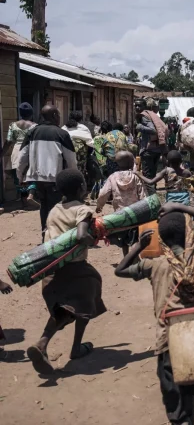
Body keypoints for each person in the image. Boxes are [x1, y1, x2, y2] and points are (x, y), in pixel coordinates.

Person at [114, 202, 194, 425]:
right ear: (189, 232)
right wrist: (180, 206)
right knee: (189, 390)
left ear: (160, 238)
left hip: (169, 341)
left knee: (174, 397)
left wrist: (138, 247)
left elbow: (120, 270)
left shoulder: (155, 265)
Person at [26, 169, 106, 374]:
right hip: (75, 270)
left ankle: (43, 344)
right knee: (86, 300)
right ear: (81, 188)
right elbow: (80, 235)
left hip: (51, 270)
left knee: (64, 310)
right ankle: (72, 347)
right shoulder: (81, 209)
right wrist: (92, 239)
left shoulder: (54, 209)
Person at [16, 105, 78, 236]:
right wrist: (74, 177)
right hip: (55, 179)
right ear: (55, 116)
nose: (60, 118)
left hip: (38, 179)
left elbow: (22, 157)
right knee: (56, 208)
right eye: (59, 115)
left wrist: (20, 175)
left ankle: (45, 233)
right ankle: (54, 236)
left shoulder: (32, 133)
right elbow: (71, 159)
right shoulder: (62, 134)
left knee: (44, 206)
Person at [96, 151, 146, 256]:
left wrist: (99, 206)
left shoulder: (113, 177)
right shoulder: (136, 176)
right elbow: (142, 194)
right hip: (136, 213)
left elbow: (103, 193)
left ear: (117, 163)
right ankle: (134, 258)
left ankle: (126, 258)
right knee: (134, 238)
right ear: (132, 162)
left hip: (120, 214)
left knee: (123, 240)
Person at [5, 102, 38, 209]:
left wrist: (2, 153)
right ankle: (31, 195)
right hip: (30, 150)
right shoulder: (35, 126)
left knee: (18, 176)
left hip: (17, 151)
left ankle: (24, 203)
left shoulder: (13, 125)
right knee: (31, 174)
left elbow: (9, 141)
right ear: (31, 113)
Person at [137, 99, 169, 194]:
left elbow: (153, 130)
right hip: (156, 149)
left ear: (145, 106)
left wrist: (140, 127)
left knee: (147, 175)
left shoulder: (144, 116)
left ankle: (150, 198)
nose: (137, 108)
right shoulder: (153, 115)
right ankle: (153, 194)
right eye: (135, 106)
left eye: (139, 106)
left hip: (148, 150)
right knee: (152, 174)